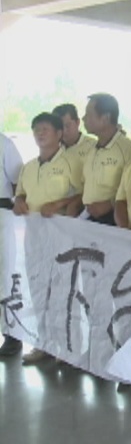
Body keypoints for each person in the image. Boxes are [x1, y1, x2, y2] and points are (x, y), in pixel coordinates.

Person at [12, 112, 83, 364]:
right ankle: (44, 345)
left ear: (59, 133)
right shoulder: (29, 166)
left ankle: (70, 348)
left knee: (65, 290)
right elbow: (20, 194)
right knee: (39, 288)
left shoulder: (72, 162)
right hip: (34, 237)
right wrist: (19, 202)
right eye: (36, 130)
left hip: (62, 237)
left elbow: (83, 194)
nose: (40, 134)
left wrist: (60, 204)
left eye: (45, 129)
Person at [82, 93, 131, 225]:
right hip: (89, 217)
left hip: (114, 219)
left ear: (106, 118)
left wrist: (109, 204)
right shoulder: (91, 149)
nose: (84, 118)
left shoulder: (127, 150)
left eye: (89, 114)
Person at [0, 131, 23, 358]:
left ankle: (11, 334)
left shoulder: (4, 144)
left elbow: (19, 182)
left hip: (1, 212)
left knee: (4, 274)